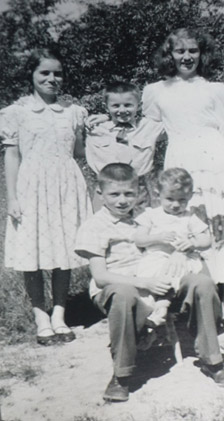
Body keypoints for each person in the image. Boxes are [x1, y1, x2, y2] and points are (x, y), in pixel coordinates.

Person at [75, 163, 224, 403]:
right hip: (120, 287)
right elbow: (101, 276)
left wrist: (182, 252)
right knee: (123, 294)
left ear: (140, 193)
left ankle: (212, 360)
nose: (122, 201)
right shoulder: (95, 227)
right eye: (114, 194)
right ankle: (122, 375)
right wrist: (144, 282)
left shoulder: (147, 217)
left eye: (129, 194)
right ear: (100, 195)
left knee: (202, 283)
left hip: (162, 282)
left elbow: (183, 241)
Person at [142, 28, 224, 327]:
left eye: (193, 51)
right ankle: (194, 296)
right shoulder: (155, 91)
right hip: (181, 165)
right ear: (169, 54)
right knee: (186, 227)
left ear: (202, 53)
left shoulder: (217, 89)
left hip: (219, 162)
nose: (186, 57)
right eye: (180, 51)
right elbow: (147, 133)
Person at [0, 48, 92, 345]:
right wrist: (12, 198)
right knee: (33, 253)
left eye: (58, 73)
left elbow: (79, 151)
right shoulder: (16, 113)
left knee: (64, 251)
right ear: (32, 75)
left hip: (67, 185)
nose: (52, 79)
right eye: (45, 73)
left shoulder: (74, 112)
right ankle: (41, 317)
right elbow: (12, 156)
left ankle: (59, 316)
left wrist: (103, 133)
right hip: (32, 187)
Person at [135, 167, 211, 327]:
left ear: (190, 197)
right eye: (170, 199)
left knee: (177, 273)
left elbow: (206, 240)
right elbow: (139, 240)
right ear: (158, 194)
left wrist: (193, 243)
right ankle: (149, 314)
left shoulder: (190, 217)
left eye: (182, 200)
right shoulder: (151, 215)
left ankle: (162, 308)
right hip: (156, 257)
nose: (176, 205)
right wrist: (157, 237)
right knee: (155, 276)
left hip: (183, 260)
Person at [85, 81, 165, 212]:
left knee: (141, 225)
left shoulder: (149, 127)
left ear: (138, 106)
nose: (122, 110)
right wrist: (105, 117)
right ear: (106, 107)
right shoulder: (96, 128)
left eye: (128, 105)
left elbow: (174, 122)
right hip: (106, 189)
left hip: (138, 189)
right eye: (115, 106)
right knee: (104, 227)